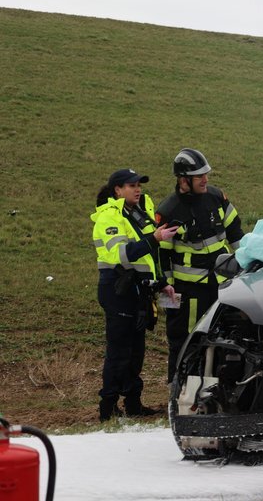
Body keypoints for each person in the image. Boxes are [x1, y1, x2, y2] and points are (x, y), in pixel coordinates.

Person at [91, 168, 179, 421]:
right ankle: (107, 408)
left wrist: (162, 283)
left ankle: (133, 403)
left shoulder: (139, 213)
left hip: (139, 290)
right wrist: (154, 237)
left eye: (139, 184)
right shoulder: (109, 217)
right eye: (131, 185)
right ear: (117, 190)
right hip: (117, 289)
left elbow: (149, 258)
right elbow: (121, 255)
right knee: (119, 351)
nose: (137, 189)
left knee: (136, 351)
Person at [156, 149, 245, 382]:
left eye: (206, 175)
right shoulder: (169, 210)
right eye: (199, 176)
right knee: (183, 340)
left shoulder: (217, 198)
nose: (205, 180)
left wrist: (248, 266)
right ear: (184, 180)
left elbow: (237, 236)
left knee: (223, 336)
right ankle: (179, 391)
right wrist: (166, 295)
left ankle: (217, 387)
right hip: (186, 292)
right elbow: (160, 258)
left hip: (221, 286)